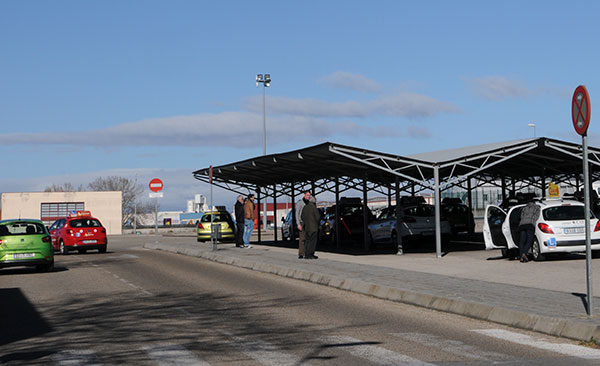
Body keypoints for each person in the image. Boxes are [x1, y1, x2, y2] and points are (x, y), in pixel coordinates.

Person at [295, 191, 311, 259]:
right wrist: (298, 224)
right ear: (304, 195)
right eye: (307, 195)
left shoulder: (309, 203)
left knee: (308, 238)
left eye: (309, 195)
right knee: (302, 238)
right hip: (302, 222)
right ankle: (301, 253)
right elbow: (297, 213)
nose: (308, 197)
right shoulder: (300, 203)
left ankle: (307, 252)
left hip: (308, 222)